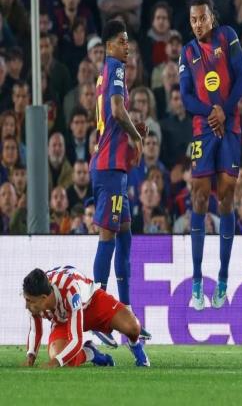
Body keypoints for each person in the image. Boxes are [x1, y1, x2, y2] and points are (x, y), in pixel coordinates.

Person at [179, 0, 242, 310]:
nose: (197, 24)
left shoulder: (227, 36)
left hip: (230, 125)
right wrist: (212, 112)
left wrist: (225, 110)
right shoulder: (187, 52)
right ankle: (196, 281)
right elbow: (185, 96)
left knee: (228, 196)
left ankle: (222, 278)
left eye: (202, 18)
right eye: (193, 19)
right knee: (199, 197)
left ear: (212, 17)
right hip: (203, 129)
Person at [89, 20, 150, 346]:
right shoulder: (115, 69)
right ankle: (96, 317)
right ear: (110, 44)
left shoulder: (103, 75)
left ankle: (127, 317)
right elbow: (115, 110)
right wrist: (136, 135)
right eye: (123, 41)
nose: (128, 47)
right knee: (109, 238)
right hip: (109, 169)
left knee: (124, 237)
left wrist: (131, 132)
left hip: (115, 168)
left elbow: (109, 120)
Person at [23, 266, 149, 368]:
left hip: (92, 304)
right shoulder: (36, 294)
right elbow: (35, 330)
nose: (26, 305)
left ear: (44, 298)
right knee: (62, 357)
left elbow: (76, 339)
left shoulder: (69, 290)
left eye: (30, 301)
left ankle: (135, 345)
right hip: (64, 320)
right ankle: (91, 353)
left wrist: (55, 363)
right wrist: (31, 356)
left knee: (133, 327)